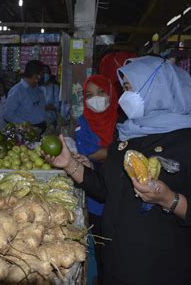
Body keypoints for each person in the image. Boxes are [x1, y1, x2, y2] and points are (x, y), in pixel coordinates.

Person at [46, 56, 191, 285]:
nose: (125, 97)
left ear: (158, 88)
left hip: (162, 266)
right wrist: (70, 165)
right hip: (118, 259)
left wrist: (169, 200)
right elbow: (108, 189)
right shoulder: (127, 134)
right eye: (124, 89)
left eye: (129, 88)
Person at [75, 74, 118, 283]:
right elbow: (89, 152)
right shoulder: (83, 122)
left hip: (123, 195)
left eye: (101, 92)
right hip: (96, 196)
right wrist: (119, 150)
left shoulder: (123, 119)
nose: (96, 99)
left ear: (111, 93)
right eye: (89, 95)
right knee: (101, 247)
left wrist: (107, 152)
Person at [3, 60, 47, 131]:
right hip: (25, 130)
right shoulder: (17, 91)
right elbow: (7, 115)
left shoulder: (38, 89)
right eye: (41, 76)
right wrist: (24, 124)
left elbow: (41, 109)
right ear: (36, 76)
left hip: (41, 128)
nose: (41, 79)